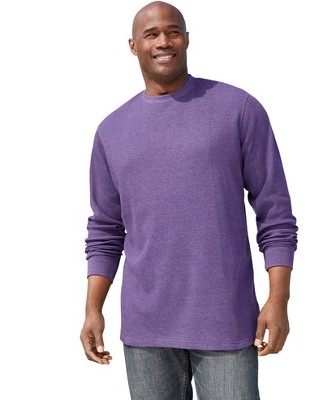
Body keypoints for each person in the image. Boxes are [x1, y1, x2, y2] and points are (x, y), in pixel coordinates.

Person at [80, 1, 298, 399]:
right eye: (151, 34)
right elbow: (106, 229)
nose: (163, 41)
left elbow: (275, 213)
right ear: (133, 46)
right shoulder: (111, 131)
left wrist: (278, 298)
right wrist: (93, 308)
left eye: (173, 31)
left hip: (226, 322)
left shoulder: (238, 109)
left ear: (186, 39)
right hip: (145, 330)